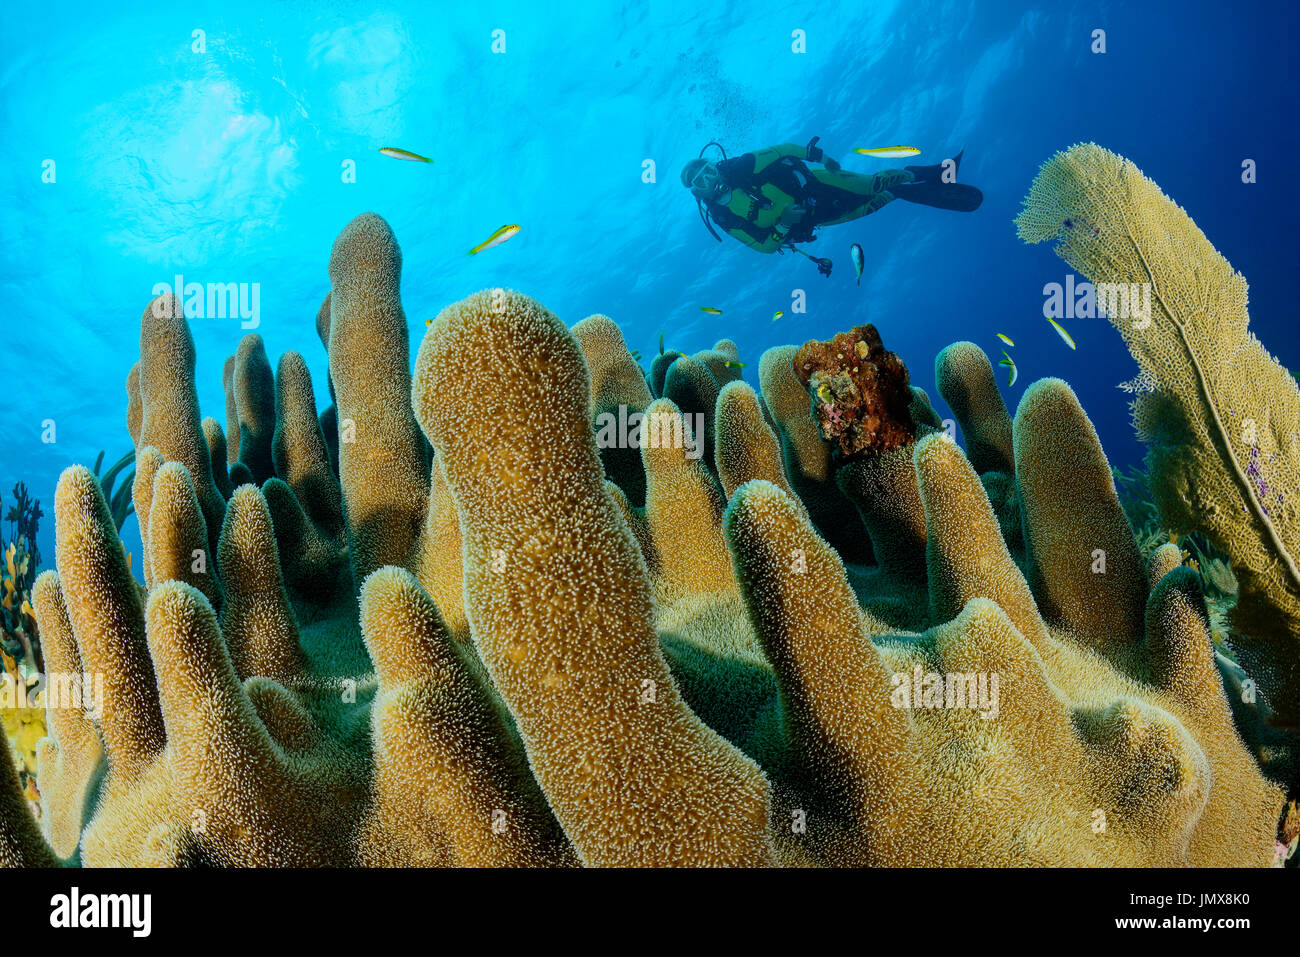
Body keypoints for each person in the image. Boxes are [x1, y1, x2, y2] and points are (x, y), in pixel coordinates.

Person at [681, 137, 982, 274]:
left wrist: (820, 157)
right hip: (815, 218)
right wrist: (784, 222)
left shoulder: (740, 167)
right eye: (700, 181)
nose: (709, 179)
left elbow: (783, 149)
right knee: (871, 205)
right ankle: (904, 192)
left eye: (707, 170)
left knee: (871, 184)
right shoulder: (722, 216)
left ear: (714, 165)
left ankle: (933, 173)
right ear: (698, 192)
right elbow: (763, 247)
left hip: (819, 183)